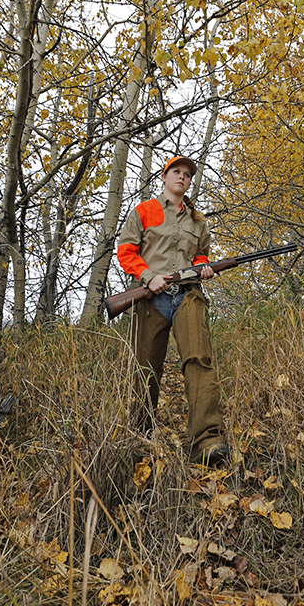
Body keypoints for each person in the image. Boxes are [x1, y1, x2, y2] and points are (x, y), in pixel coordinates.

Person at [116, 156, 229, 467]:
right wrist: (147, 276)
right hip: (151, 299)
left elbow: (201, 255)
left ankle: (207, 442)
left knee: (199, 362)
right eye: (176, 172)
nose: (182, 177)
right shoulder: (144, 211)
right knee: (145, 368)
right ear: (165, 177)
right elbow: (126, 251)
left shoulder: (198, 219)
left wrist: (202, 267)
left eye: (187, 175)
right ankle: (140, 437)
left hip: (188, 296)